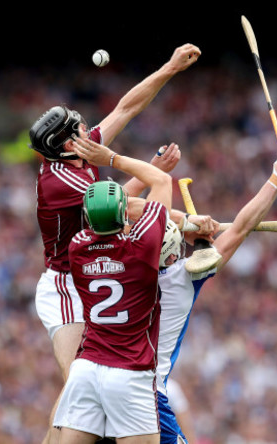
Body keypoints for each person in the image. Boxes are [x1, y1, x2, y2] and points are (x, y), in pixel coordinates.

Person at [27, 43, 202, 444]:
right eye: (77, 128)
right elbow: (123, 207)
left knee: (91, 378)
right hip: (67, 284)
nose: (85, 126)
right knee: (78, 380)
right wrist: (183, 220)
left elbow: (126, 107)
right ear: (68, 145)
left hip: (92, 273)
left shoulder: (75, 155)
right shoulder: (64, 180)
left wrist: (170, 67)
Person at [129, 150, 277, 443]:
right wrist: (276, 179)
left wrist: (185, 223)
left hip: (106, 381)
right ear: (174, 251)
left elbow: (124, 208)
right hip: (147, 392)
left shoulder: (120, 269)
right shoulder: (186, 277)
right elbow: (242, 227)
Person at [53, 135, 172, 443]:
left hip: (87, 369)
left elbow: (120, 210)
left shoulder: (77, 247)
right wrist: (111, 158)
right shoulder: (143, 247)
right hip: (130, 372)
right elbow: (161, 181)